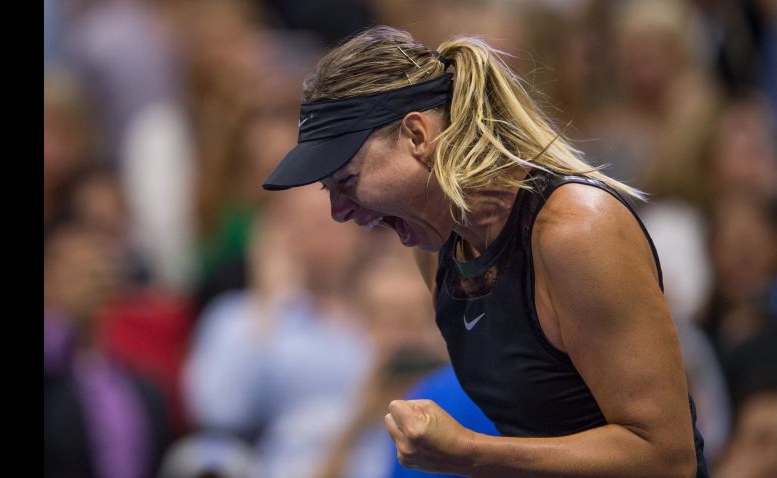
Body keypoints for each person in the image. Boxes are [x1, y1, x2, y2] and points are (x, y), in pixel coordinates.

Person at [261, 26, 709, 477]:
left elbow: (667, 458)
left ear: (417, 136)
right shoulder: (437, 247)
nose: (338, 212)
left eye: (347, 181)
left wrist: (470, 452)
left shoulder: (575, 232)